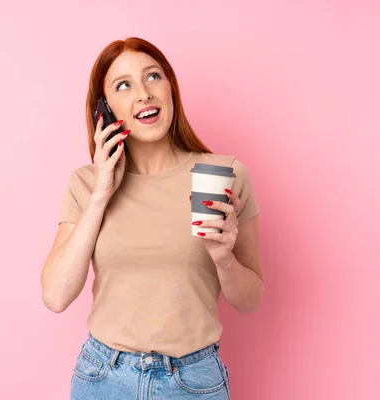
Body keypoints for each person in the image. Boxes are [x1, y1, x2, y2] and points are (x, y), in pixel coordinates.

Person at [41, 37, 265, 400]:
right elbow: (55, 295)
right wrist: (101, 194)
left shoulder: (222, 174)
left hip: (193, 382)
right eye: (123, 85)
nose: (143, 93)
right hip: (103, 378)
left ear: (170, 88)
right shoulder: (86, 183)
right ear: (106, 109)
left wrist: (224, 259)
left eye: (153, 77)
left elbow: (250, 299)